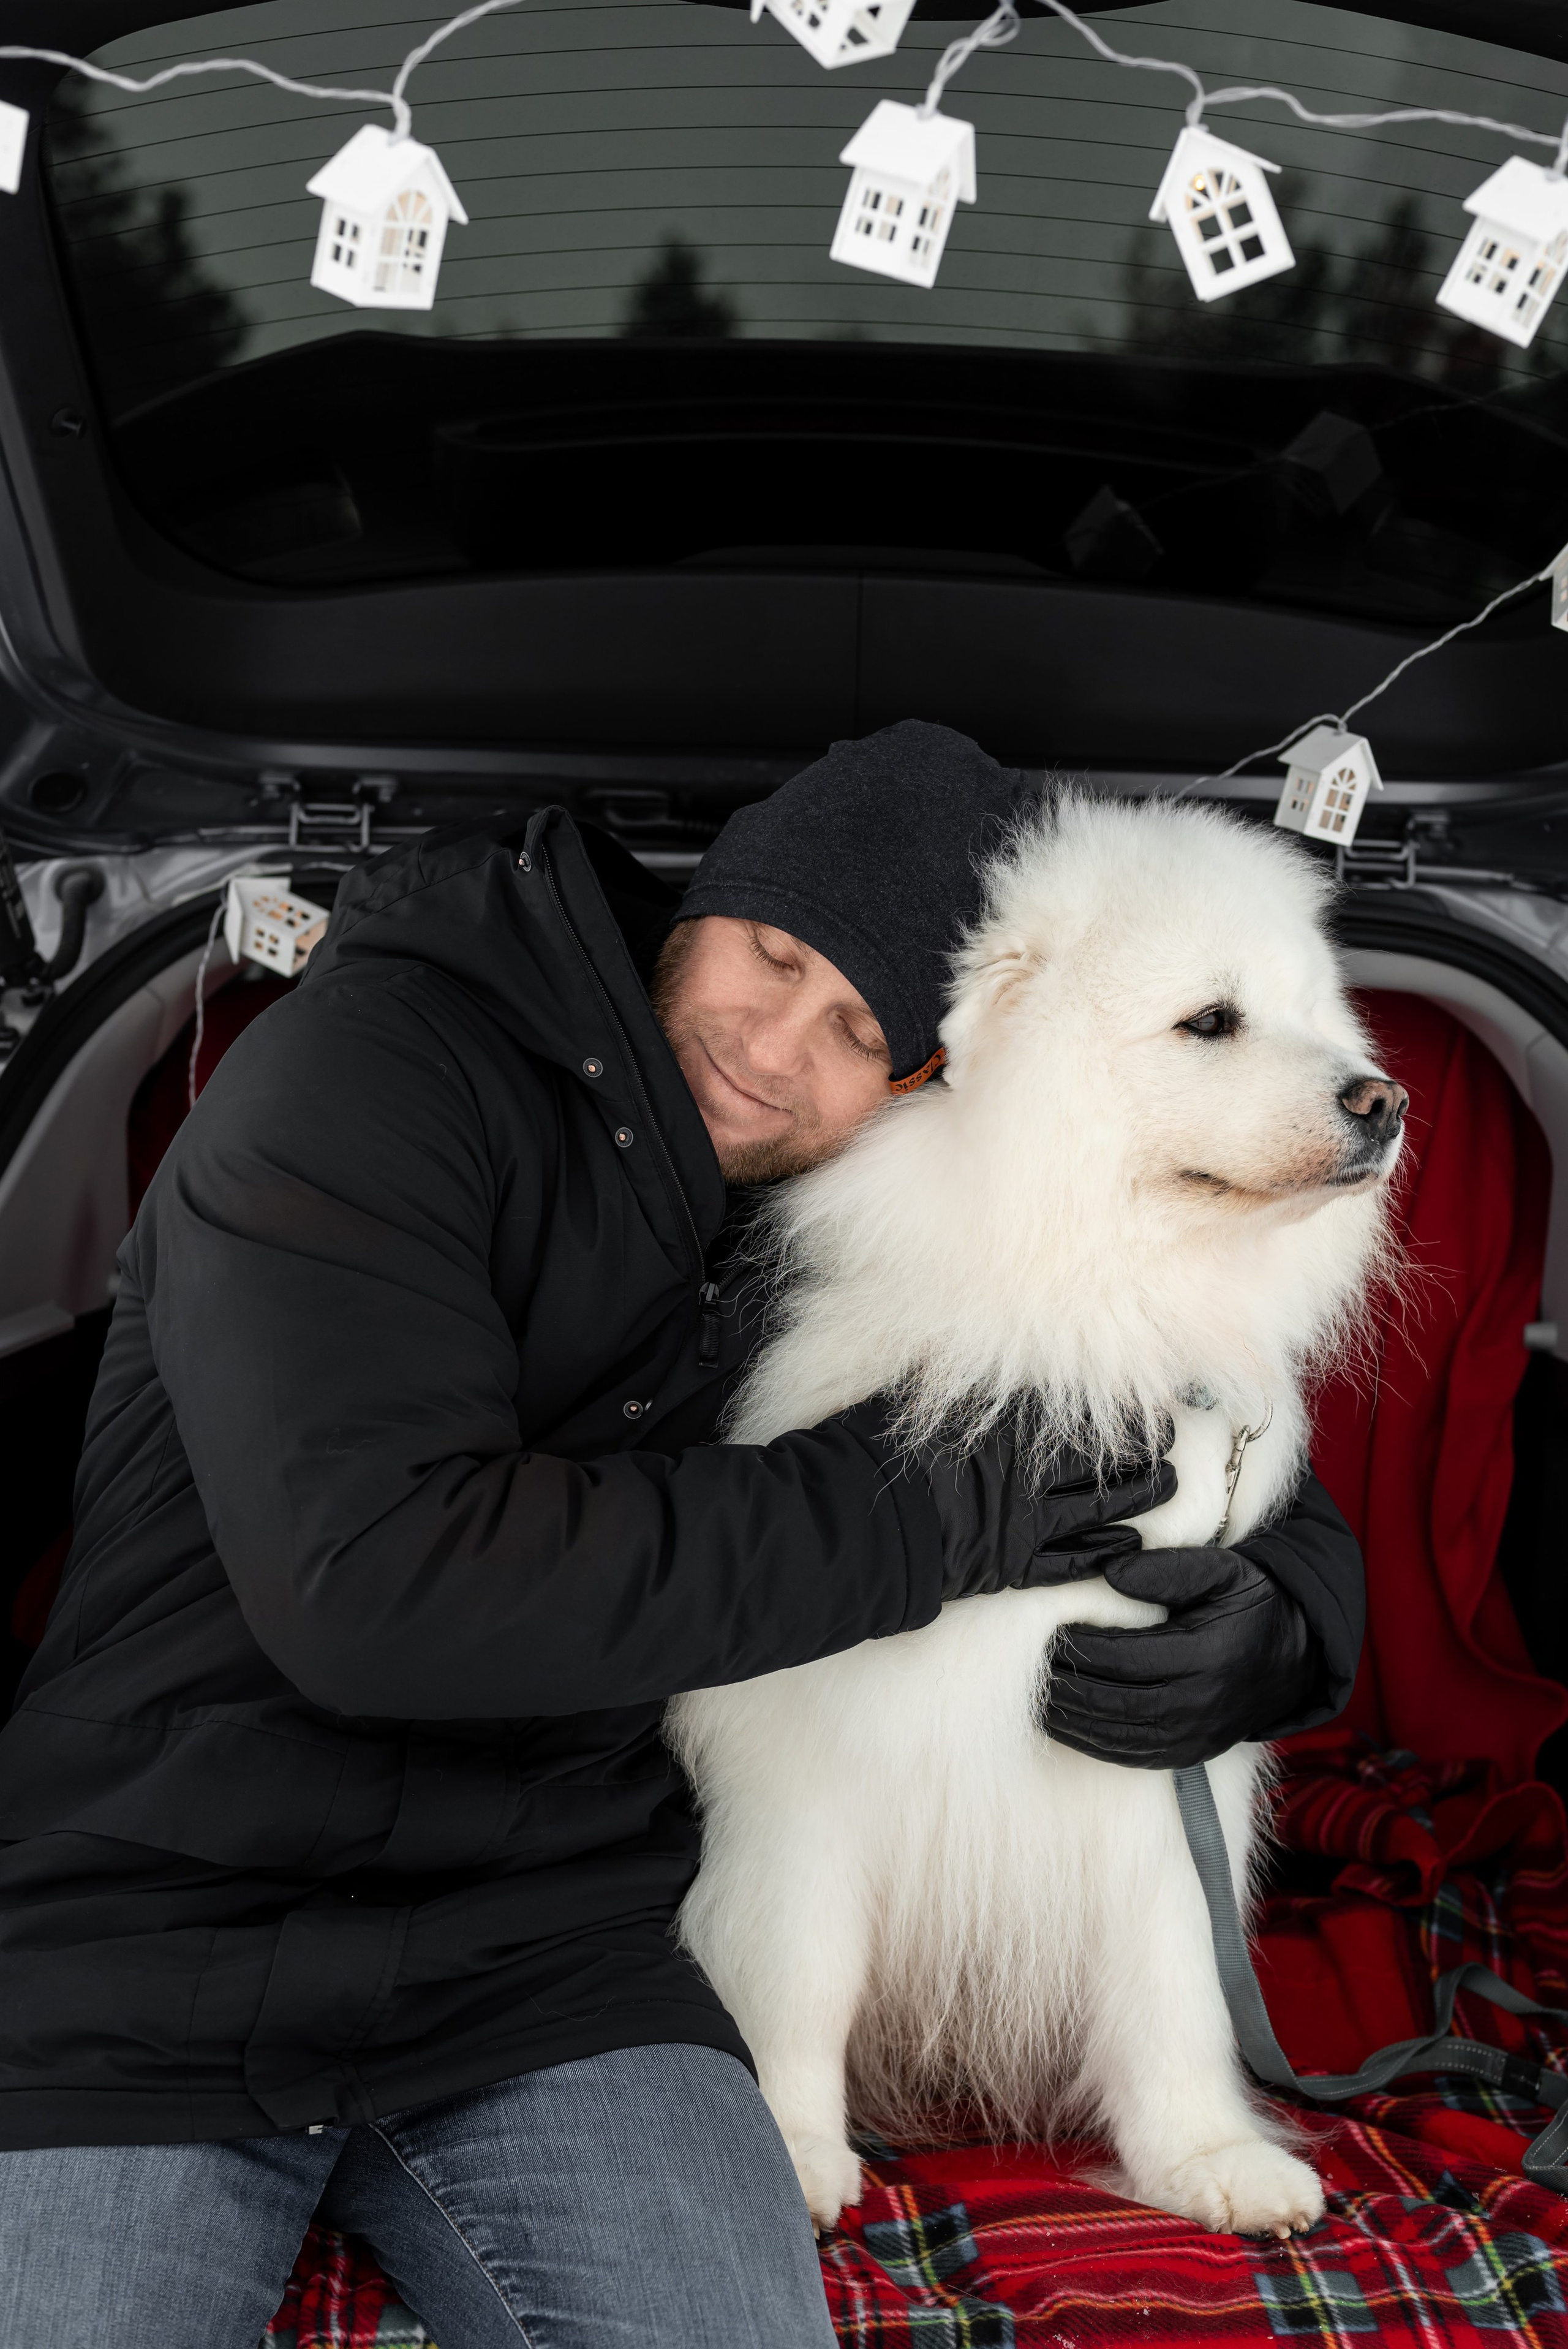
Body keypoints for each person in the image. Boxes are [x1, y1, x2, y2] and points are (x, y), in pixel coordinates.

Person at [0, 721, 1362, 2348]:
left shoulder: (836, 1198)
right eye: (772, 956)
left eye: (858, 1026)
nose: (778, 1048)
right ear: (701, 903)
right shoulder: (367, 1076)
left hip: (551, 1961)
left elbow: (1147, 1369)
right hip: (153, 1928)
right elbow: (378, 1590)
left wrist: (1294, 1602)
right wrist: (925, 1514)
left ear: (929, 1082)